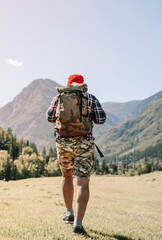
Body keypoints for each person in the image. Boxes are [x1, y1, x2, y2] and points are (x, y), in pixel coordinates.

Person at [46, 74, 106, 235]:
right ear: (82, 84)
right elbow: (101, 118)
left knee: (66, 176)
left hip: (64, 142)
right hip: (84, 143)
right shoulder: (90, 98)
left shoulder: (59, 97)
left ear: (68, 84)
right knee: (82, 182)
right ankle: (78, 224)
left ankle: (68, 212)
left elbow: (49, 117)